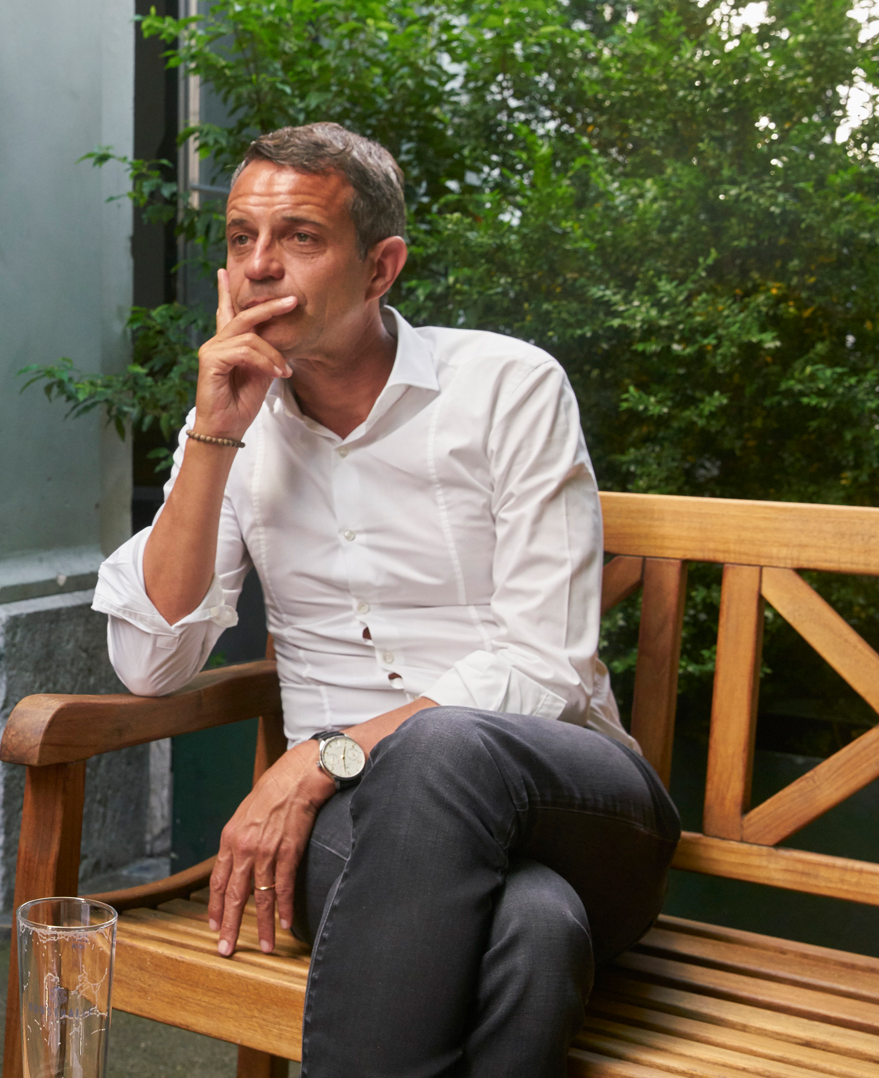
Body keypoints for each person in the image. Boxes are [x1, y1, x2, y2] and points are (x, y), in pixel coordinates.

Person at [93, 123, 680, 1076]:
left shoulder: (506, 388)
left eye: (300, 238)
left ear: (381, 267)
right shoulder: (236, 425)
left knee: (439, 743)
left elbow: (548, 668)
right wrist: (213, 434)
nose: (258, 266)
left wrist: (328, 755)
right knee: (532, 931)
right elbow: (151, 663)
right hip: (363, 840)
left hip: (575, 797)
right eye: (240, 238)